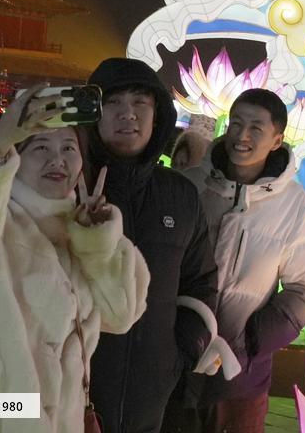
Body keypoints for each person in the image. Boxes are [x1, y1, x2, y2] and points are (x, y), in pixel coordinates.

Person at [0, 84, 149, 431]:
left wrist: (98, 244)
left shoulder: (83, 231)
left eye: (69, 148)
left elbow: (121, 315)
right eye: (40, 146)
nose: (57, 160)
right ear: (16, 156)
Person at [177, 87, 305, 433]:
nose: (241, 136)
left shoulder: (293, 204)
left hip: (240, 376)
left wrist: (252, 342)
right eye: (235, 124)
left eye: (256, 128)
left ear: (277, 140)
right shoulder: (190, 185)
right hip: (173, 363)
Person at [85, 58, 218, 433]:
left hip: (154, 387)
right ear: (93, 113)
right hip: (75, 383)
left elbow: (201, 279)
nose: (129, 114)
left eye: (140, 103)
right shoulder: (69, 187)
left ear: (157, 113)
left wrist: (181, 352)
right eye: (114, 103)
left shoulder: (179, 193)